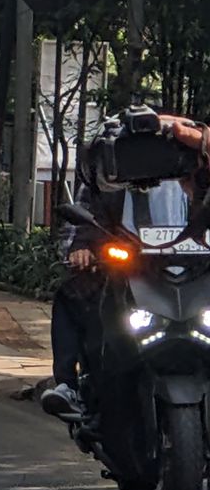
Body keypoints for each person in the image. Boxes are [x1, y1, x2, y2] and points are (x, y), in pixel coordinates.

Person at [41, 178, 191, 417]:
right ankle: (69, 386)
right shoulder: (107, 169)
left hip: (191, 269)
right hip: (124, 270)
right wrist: (80, 248)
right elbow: (84, 217)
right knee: (72, 296)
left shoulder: (198, 166)